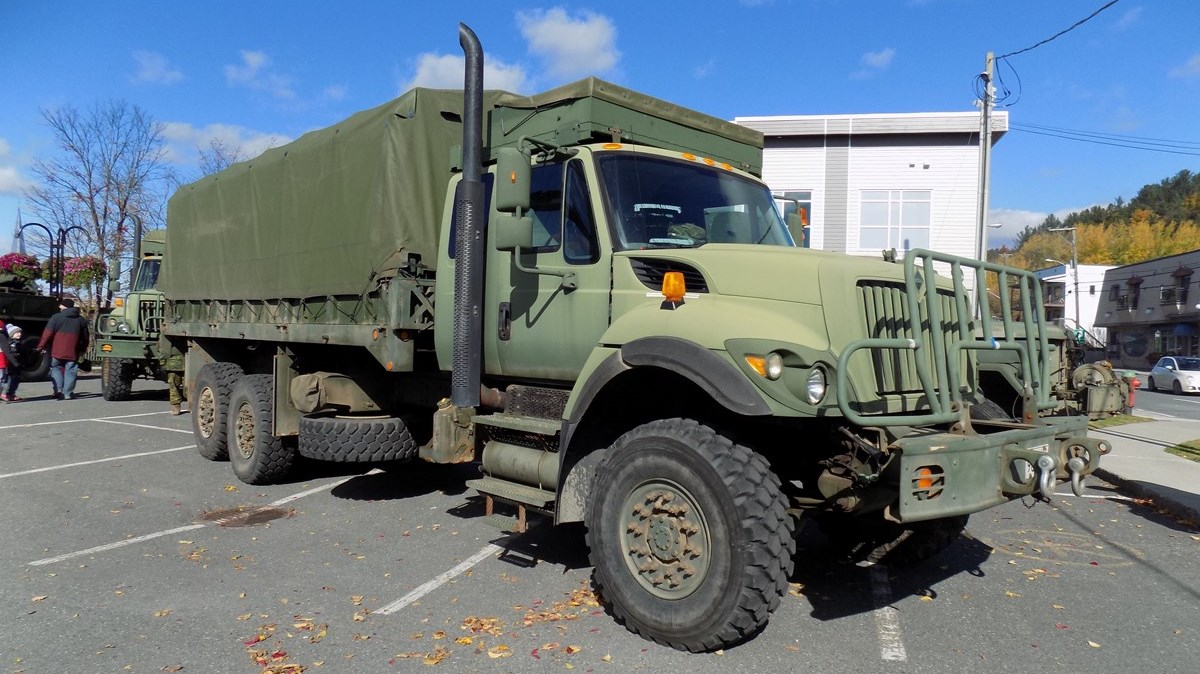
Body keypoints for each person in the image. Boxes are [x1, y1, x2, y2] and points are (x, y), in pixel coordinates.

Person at [37, 298, 90, 400]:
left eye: (60, 305)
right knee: (71, 371)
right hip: (73, 351)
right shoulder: (81, 320)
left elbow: (47, 334)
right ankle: (68, 393)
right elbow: (85, 337)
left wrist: (40, 347)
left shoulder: (56, 317)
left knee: (56, 368)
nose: (59, 307)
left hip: (57, 350)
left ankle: (58, 389)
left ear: (64, 306)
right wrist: (83, 349)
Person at [0, 320, 21, 402]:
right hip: (1, 360)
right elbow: (7, 350)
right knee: (1, 378)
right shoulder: (2, 336)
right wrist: (16, 363)